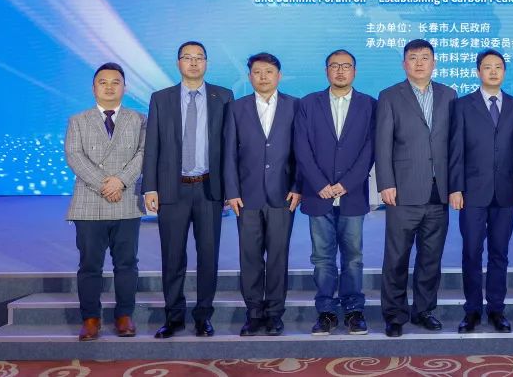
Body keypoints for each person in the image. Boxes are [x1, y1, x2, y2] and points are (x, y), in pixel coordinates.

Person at [142, 41, 234, 339]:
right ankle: (174, 317)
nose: (193, 63)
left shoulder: (224, 97)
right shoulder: (161, 98)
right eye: (187, 58)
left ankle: (203, 317)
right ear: (178, 63)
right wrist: (149, 187)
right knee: (172, 257)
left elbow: (230, 147)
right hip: (173, 189)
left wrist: (230, 187)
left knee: (208, 256)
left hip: (209, 188)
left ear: (206, 63)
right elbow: (152, 145)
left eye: (199, 58)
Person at [375, 39, 457, 338]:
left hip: (439, 190)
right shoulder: (389, 96)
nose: (419, 63)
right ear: (404, 63)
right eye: (413, 58)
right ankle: (394, 314)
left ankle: (424, 311)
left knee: (431, 257)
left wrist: (456, 185)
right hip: (403, 190)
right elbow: (382, 144)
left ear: (434, 63)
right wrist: (386, 182)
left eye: (425, 57)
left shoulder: (449, 95)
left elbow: (455, 145)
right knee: (396, 257)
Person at [294, 49, 376, 336]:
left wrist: (347, 183)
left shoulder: (370, 105)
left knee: (353, 257)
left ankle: (354, 311)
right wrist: (319, 184)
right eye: (334, 66)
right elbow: (302, 147)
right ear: (326, 70)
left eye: (346, 66)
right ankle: (326, 312)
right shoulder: (308, 103)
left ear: (355, 71)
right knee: (322, 258)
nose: (340, 71)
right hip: (318, 195)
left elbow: (370, 149)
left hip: (352, 195)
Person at [64, 62, 146, 341]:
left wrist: (120, 181)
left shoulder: (139, 120)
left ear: (125, 87)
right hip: (89, 201)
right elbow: (74, 156)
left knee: (127, 263)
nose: (109, 87)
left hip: (126, 200)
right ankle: (90, 318)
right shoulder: (78, 120)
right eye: (103, 82)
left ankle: (124, 316)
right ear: (93, 88)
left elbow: (144, 154)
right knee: (90, 264)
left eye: (115, 82)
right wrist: (104, 184)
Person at [222, 52, 300, 337]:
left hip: (283, 195)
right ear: (249, 76)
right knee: (250, 257)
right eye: (257, 72)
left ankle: (275, 314)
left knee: (279, 256)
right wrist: (232, 191)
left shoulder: (295, 106)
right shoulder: (236, 108)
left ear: (279, 76)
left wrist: (298, 186)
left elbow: (301, 152)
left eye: (269, 72)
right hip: (247, 196)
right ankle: (253, 313)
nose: (263, 77)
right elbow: (228, 153)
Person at [449, 49, 513, 334]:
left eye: (498, 67)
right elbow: (456, 150)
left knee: (499, 253)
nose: (493, 71)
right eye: (487, 67)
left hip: (505, 192)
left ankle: (496, 309)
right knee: (471, 252)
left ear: (504, 72)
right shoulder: (463, 105)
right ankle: (472, 310)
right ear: (478, 72)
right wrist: (456, 187)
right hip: (472, 192)